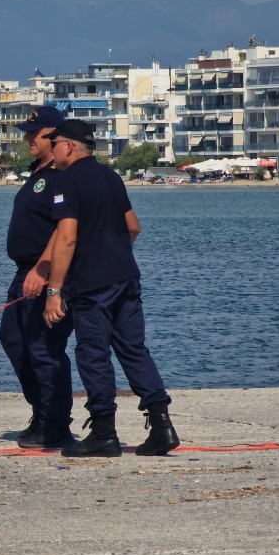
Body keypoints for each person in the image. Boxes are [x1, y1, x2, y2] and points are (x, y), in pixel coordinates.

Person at [43, 119, 179, 457]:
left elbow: (67, 237)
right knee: (134, 349)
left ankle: (103, 431)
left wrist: (54, 291)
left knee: (93, 354)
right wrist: (113, 252)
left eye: (54, 142)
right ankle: (161, 426)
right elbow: (133, 227)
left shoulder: (66, 181)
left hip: (92, 283)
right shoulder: (110, 176)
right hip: (125, 276)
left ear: (69, 146)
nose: (51, 148)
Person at [0, 106, 76, 448]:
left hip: (47, 273)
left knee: (44, 349)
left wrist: (44, 271)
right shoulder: (39, 172)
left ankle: (54, 422)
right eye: (28, 132)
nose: (28, 138)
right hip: (24, 272)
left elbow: (65, 230)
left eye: (35, 133)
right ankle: (42, 411)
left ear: (55, 136)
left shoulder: (62, 174)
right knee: (13, 340)